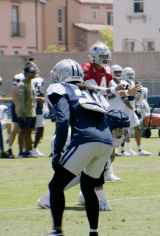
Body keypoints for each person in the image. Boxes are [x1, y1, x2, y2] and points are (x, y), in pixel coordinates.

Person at [45, 59, 139, 236]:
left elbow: (63, 120)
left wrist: (57, 151)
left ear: (61, 75)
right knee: (88, 188)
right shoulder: (91, 91)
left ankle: (57, 230)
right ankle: (93, 232)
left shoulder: (60, 89)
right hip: (105, 140)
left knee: (56, 185)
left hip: (85, 139)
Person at [37, 109, 130, 211]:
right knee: (79, 173)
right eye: (120, 130)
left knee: (103, 165)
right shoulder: (99, 135)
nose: (122, 134)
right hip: (66, 143)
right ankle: (48, 198)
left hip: (74, 141)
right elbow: (97, 172)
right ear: (111, 127)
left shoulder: (103, 131)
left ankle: (84, 196)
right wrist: (102, 199)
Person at [121, 67, 151, 156]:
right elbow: (124, 98)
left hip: (131, 108)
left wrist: (135, 104)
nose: (130, 76)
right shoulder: (123, 83)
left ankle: (139, 149)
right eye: (128, 74)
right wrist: (131, 107)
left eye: (131, 74)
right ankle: (124, 150)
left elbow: (133, 97)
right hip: (125, 108)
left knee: (137, 127)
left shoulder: (132, 82)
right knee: (124, 129)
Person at [16, 61, 38, 158]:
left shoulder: (31, 83)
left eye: (34, 72)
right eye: (32, 72)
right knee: (23, 131)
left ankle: (28, 151)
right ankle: (21, 152)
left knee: (29, 132)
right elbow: (21, 101)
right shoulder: (22, 85)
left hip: (32, 113)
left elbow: (31, 98)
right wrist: (23, 112)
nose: (34, 74)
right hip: (24, 113)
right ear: (26, 73)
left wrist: (39, 99)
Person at [30, 74, 47, 156]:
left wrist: (44, 105)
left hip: (39, 107)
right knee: (28, 129)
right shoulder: (25, 79)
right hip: (30, 106)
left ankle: (34, 148)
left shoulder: (40, 79)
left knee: (41, 128)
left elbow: (41, 92)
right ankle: (27, 149)